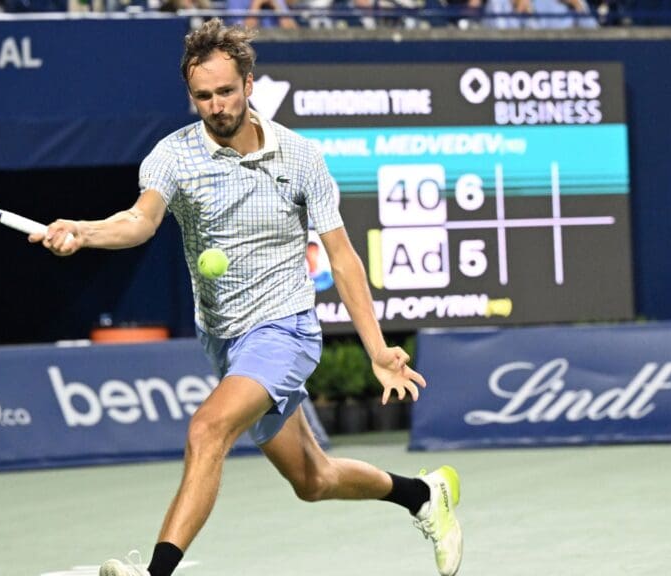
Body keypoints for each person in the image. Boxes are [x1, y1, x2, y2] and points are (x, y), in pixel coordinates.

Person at [29, 19, 463, 576]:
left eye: (226, 91)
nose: (216, 106)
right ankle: (423, 496)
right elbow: (140, 220)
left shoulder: (300, 157)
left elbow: (342, 256)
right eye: (203, 96)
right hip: (226, 339)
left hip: (285, 330)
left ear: (249, 84)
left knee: (208, 429)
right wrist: (85, 232)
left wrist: (377, 349)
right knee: (312, 479)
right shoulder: (172, 156)